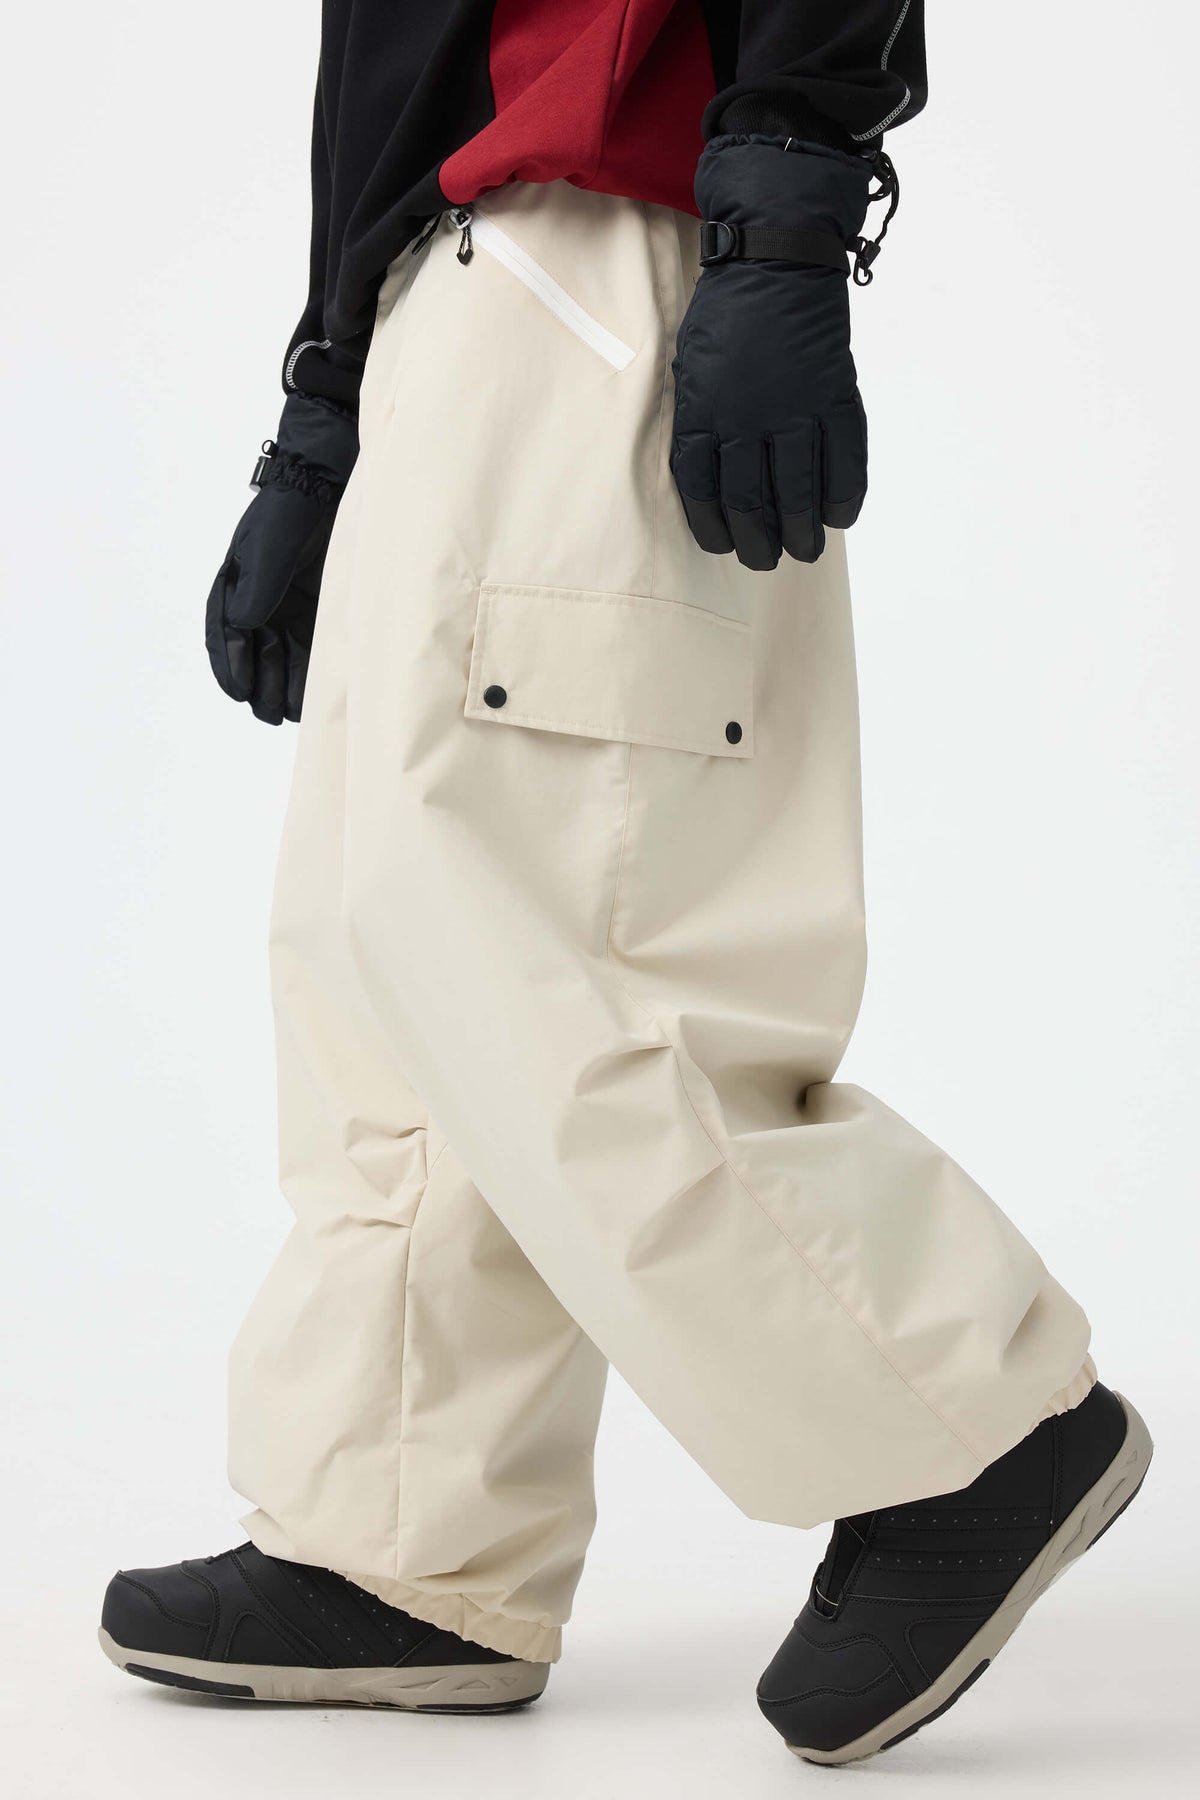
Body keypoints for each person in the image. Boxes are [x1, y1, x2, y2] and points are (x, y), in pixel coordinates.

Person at [98, 0, 1152, 1764]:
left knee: (556, 943)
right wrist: (329, 401)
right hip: (453, 277)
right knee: (379, 953)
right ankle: (402, 1544)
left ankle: (962, 1429)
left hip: (601, 242)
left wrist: (788, 201)